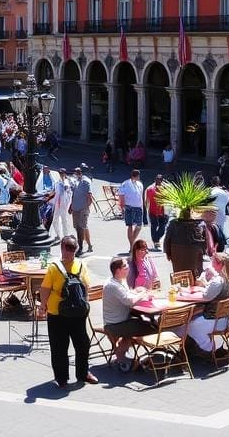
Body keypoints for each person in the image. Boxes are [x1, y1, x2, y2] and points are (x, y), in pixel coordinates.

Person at [37, 235, 96, 389]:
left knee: (83, 344)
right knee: (59, 347)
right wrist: (43, 306)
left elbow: (86, 287)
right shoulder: (54, 267)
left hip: (77, 313)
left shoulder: (81, 265)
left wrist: (86, 305)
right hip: (57, 314)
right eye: (67, 248)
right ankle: (62, 378)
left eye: (72, 249)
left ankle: (83, 373)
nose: (69, 252)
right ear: (62, 248)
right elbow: (44, 289)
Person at [178, 252, 229, 358]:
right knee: (192, 318)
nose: (211, 264)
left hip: (215, 321)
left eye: (213, 262)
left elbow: (204, 297)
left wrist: (183, 296)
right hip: (228, 319)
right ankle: (211, 346)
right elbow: (211, 292)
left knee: (187, 325)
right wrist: (203, 287)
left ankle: (209, 348)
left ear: (219, 264)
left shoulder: (218, 281)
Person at [103, 256, 154, 371]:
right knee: (151, 327)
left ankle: (122, 352)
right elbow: (129, 301)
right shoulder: (112, 285)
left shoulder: (120, 280)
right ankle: (121, 355)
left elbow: (127, 294)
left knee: (145, 324)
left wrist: (136, 291)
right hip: (115, 324)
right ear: (118, 270)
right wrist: (143, 294)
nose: (128, 268)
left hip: (124, 319)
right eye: (125, 266)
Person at [118, 169, 145, 253]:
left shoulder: (140, 184)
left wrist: (142, 206)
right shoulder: (126, 183)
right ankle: (131, 246)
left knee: (139, 226)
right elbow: (121, 195)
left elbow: (140, 196)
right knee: (130, 225)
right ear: (136, 176)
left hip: (138, 207)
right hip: (129, 206)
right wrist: (122, 206)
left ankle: (132, 242)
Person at [70, 165, 94, 255]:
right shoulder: (76, 181)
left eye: (78, 172)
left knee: (81, 228)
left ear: (82, 172)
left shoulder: (86, 181)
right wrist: (71, 206)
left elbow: (89, 196)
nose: (76, 173)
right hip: (75, 208)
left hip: (82, 209)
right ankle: (89, 245)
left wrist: (85, 208)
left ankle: (80, 247)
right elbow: (74, 194)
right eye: (76, 172)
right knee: (79, 227)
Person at [145, 175, 168, 251]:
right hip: (152, 210)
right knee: (154, 226)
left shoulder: (165, 189)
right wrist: (146, 211)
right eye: (157, 179)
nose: (158, 181)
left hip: (162, 211)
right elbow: (147, 201)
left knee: (162, 228)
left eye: (160, 180)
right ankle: (155, 241)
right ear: (155, 180)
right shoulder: (150, 189)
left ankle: (156, 238)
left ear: (162, 180)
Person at [50, 168, 73, 240]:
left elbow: (67, 189)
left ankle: (66, 235)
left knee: (64, 220)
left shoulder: (67, 182)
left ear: (65, 174)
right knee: (54, 220)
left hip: (64, 205)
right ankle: (58, 234)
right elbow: (54, 192)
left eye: (62, 173)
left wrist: (64, 181)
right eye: (60, 173)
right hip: (57, 204)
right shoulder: (57, 182)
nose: (61, 174)